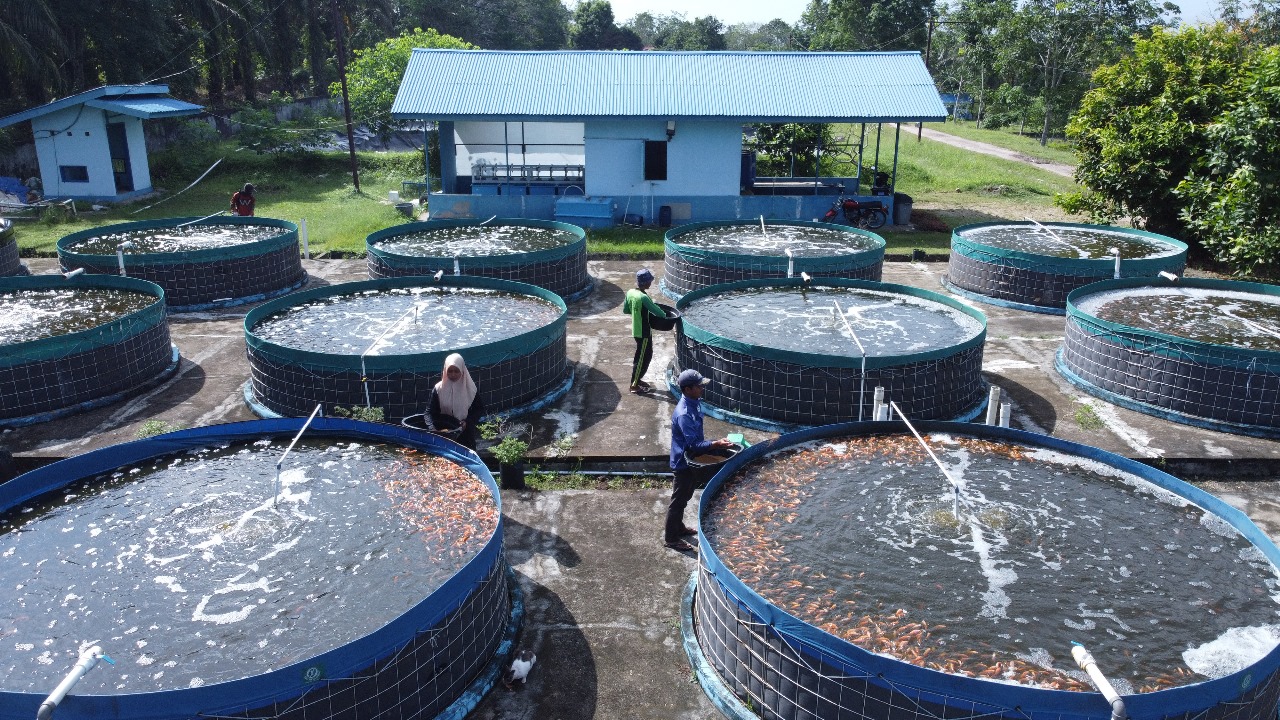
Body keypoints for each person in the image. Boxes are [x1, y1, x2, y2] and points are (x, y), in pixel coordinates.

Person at [665, 369, 733, 551]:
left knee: (686, 496)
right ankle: (671, 538)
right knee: (678, 500)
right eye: (698, 386)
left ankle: (679, 527)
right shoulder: (684, 414)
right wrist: (716, 444)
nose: (702, 388)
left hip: (691, 459)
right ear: (687, 389)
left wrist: (714, 443)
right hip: (683, 462)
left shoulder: (694, 402)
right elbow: (694, 444)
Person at [425, 353, 485, 450]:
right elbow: (429, 413)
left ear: (462, 370)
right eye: (450, 371)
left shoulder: (470, 389)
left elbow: (479, 409)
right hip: (444, 434)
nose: (453, 374)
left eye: (456, 371)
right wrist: (433, 429)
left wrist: (467, 422)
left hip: (465, 435)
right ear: (445, 370)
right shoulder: (438, 389)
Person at [622, 267, 664, 395]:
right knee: (641, 359)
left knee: (647, 355)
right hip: (643, 332)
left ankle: (638, 380)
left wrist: (637, 313)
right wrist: (667, 316)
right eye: (650, 281)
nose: (651, 283)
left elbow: (626, 310)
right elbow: (658, 312)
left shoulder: (630, 293)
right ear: (646, 283)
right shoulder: (643, 298)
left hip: (636, 329)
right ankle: (634, 385)